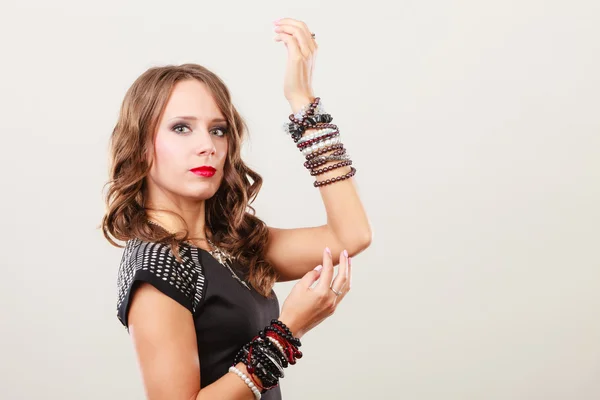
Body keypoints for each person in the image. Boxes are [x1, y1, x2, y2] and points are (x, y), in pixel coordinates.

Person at [101, 18, 372, 400]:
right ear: (141, 144)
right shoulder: (157, 267)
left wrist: (303, 102)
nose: (207, 145)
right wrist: (287, 332)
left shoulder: (230, 241)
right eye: (181, 128)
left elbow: (351, 235)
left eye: (218, 129)